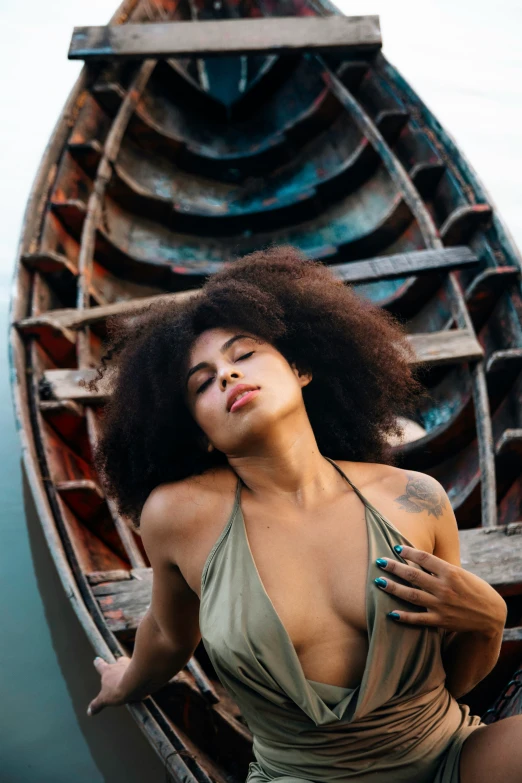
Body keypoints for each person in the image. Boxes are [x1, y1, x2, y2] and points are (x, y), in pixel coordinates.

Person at [86, 245, 519, 782]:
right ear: (198, 435)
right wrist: (125, 681)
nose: (225, 375)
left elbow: (454, 681)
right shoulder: (179, 516)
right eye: (202, 382)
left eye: (243, 354)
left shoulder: (416, 497)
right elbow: (171, 635)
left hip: (447, 754)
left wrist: (491, 620)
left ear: (302, 369)